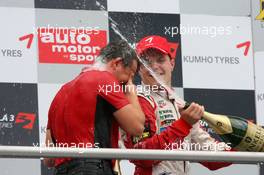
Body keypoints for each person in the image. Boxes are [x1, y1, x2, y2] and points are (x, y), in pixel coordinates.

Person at [123, 35, 232, 175]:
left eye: (160, 60)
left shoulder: (178, 102)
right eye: (147, 63)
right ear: (139, 69)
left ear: (172, 64)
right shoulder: (140, 99)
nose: (154, 67)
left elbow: (210, 156)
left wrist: (245, 145)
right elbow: (143, 156)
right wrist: (183, 124)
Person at [43, 40, 146, 175]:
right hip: (93, 167)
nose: (128, 81)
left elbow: (48, 159)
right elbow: (137, 127)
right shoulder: (104, 80)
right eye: (130, 75)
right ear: (116, 63)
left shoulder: (61, 93)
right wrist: (131, 91)